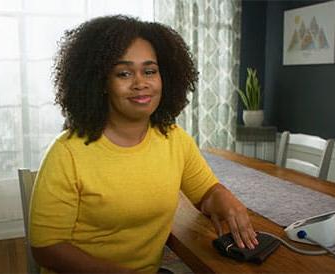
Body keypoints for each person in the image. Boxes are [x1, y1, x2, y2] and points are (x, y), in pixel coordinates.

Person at [29, 15, 258, 274]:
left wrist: (223, 197)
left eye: (150, 71)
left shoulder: (174, 139)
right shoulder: (66, 153)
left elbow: (205, 192)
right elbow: (46, 248)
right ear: (101, 82)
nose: (141, 83)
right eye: (124, 73)